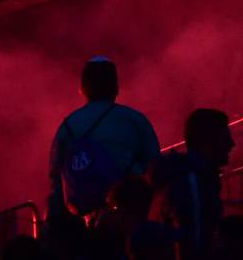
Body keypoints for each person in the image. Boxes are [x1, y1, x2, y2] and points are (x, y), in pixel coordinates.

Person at [48, 56, 161, 221]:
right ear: (115, 87)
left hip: (84, 222)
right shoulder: (134, 120)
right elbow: (154, 167)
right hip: (129, 215)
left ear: (83, 88)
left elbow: (55, 179)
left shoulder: (68, 125)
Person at [155, 108, 235, 260]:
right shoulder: (192, 180)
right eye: (225, 138)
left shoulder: (193, 176)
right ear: (208, 142)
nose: (232, 144)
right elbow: (194, 239)